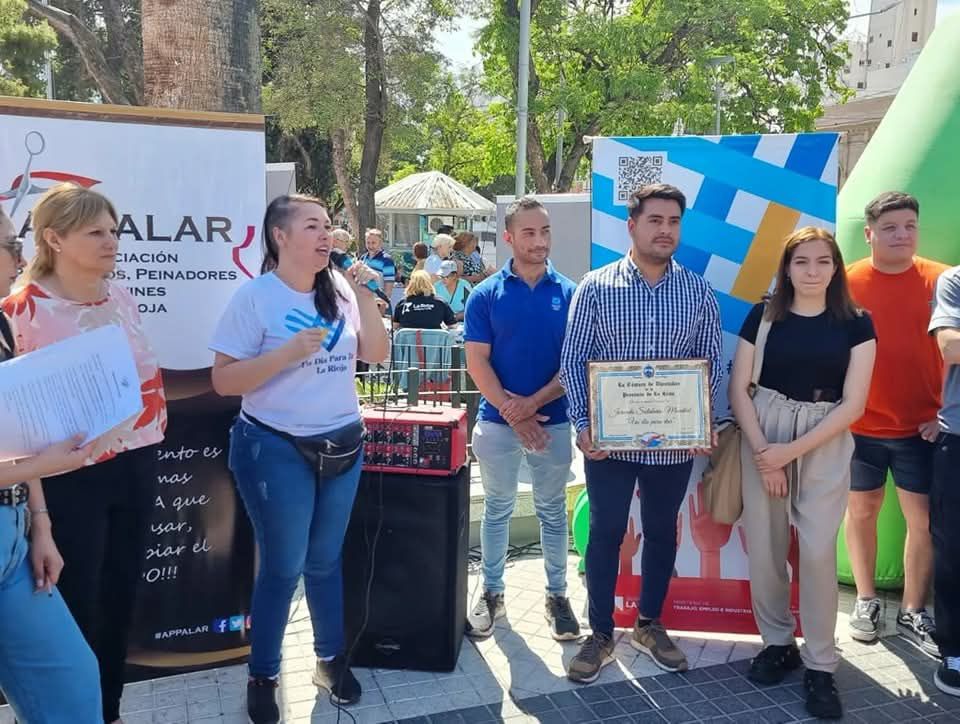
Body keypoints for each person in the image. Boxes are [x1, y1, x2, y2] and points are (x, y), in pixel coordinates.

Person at [210, 194, 388, 724]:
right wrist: (285, 354)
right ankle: (264, 674)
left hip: (342, 444)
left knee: (325, 560)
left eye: (328, 226)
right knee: (283, 566)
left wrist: (361, 290)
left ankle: (330, 660)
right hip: (274, 447)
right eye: (312, 225)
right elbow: (223, 380)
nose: (325, 234)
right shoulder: (255, 298)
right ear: (279, 236)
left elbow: (375, 354)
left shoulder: (339, 290)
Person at [2, 183, 168, 724]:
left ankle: (109, 710)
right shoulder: (21, 311)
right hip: (67, 478)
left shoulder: (118, 294)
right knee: (76, 600)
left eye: (114, 231)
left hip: (137, 459)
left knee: (122, 592)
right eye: (95, 232)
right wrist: (41, 509)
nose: (111, 242)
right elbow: (17, 427)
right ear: (54, 238)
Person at [560, 183, 722, 682]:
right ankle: (602, 632)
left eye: (673, 222)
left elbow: (713, 361)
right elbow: (572, 361)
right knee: (606, 532)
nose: (665, 230)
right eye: (655, 221)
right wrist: (584, 426)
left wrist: (700, 421)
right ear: (632, 225)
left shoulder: (696, 289)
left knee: (661, 531)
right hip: (608, 443)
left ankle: (650, 623)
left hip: (672, 444)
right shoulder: (596, 286)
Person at [730, 227, 876, 720]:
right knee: (766, 551)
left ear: (836, 268)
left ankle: (820, 664)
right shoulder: (764, 315)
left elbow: (854, 404)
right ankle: (778, 643)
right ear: (786, 267)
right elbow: (739, 389)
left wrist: (791, 452)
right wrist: (765, 452)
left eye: (823, 262)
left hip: (822, 437)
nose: (812, 271)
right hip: (765, 434)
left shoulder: (856, 322)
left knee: (815, 553)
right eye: (801, 262)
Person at [0, 212, 103, 723]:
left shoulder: (0, 322)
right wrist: (36, 466)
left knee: (75, 685)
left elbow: (17, 432)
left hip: (13, 538)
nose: (19, 256)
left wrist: (39, 523)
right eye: (7, 243)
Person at [464, 197, 580, 642]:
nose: (539, 240)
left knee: (553, 512)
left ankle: (557, 596)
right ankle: (491, 592)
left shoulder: (570, 293)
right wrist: (515, 415)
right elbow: (477, 362)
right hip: (496, 424)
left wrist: (532, 404)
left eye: (545, 231)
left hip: (552, 421)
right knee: (497, 510)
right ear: (510, 237)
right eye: (529, 233)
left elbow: (575, 363)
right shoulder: (484, 294)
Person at [844, 192, 946, 655]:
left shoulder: (942, 279)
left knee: (921, 521)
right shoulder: (844, 284)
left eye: (909, 225)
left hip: (922, 428)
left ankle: (912, 609)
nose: (902, 235)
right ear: (869, 234)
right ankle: (866, 601)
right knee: (861, 512)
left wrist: (942, 411)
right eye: (890, 228)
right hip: (859, 428)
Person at [929, 266, 960, 696]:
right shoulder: (954, 280)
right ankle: (954, 650)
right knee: (953, 550)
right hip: (958, 436)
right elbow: (950, 345)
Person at [358, 228, 395, 299]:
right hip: (365, 302)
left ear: (380, 243)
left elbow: (388, 288)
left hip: (379, 303)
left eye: (373, 243)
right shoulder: (363, 258)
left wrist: (384, 305)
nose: (370, 246)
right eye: (368, 242)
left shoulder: (387, 260)